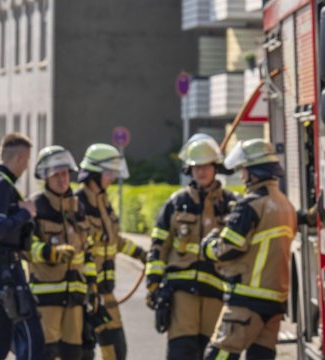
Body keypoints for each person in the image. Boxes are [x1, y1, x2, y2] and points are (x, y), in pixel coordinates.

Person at [200, 139, 296, 359]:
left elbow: (228, 248)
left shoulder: (250, 204)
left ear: (253, 173)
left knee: (217, 356)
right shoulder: (285, 204)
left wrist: (208, 246)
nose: (241, 176)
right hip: (275, 302)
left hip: (246, 300)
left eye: (243, 171)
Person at [144, 134, 237, 359]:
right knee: (180, 353)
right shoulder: (176, 204)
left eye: (205, 166)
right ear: (189, 170)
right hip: (181, 298)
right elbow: (158, 247)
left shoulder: (231, 205)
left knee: (211, 353)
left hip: (217, 296)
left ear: (215, 167)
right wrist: (153, 286)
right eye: (195, 167)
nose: (200, 172)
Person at [0, 132, 45, 360]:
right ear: (21, 157)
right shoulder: (1, 185)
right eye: (27, 159)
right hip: (6, 272)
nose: (26, 166)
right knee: (33, 338)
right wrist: (25, 212)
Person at [76, 143, 146, 360]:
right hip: (85, 294)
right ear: (93, 174)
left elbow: (114, 240)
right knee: (83, 351)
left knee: (116, 350)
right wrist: (88, 290)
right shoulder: (77, 205)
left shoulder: (103, 202)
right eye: (109, 173)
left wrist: (142, 254)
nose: (113, 178)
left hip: (106, 294)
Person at [28, 146, 94, 360]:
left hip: (75, 299)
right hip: (46, 300)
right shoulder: (35, 207)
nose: (62, 179)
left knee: (73, 354)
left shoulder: (77, 207)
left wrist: (92, 285)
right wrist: (50, 252)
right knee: (48, 354)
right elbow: (26, 247)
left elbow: (88, 250)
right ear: (45, 176)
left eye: (65, 173)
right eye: (56, 174)